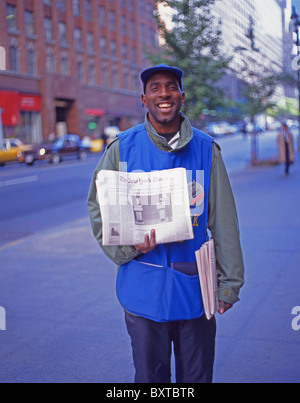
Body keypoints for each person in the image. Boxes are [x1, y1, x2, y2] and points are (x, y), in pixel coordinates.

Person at [87, 64, 245, 383]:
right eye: (155, 88)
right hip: (141, 290)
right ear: (143, 99)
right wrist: (129, 246)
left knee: (196, 379)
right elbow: (98, 209)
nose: (164, 94)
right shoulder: (122, 149)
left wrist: (230, 283)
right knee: (150, 380)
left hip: (194, 292)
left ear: (181, 97)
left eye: (171, 87)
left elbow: (224, 219)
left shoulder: (206, 150)